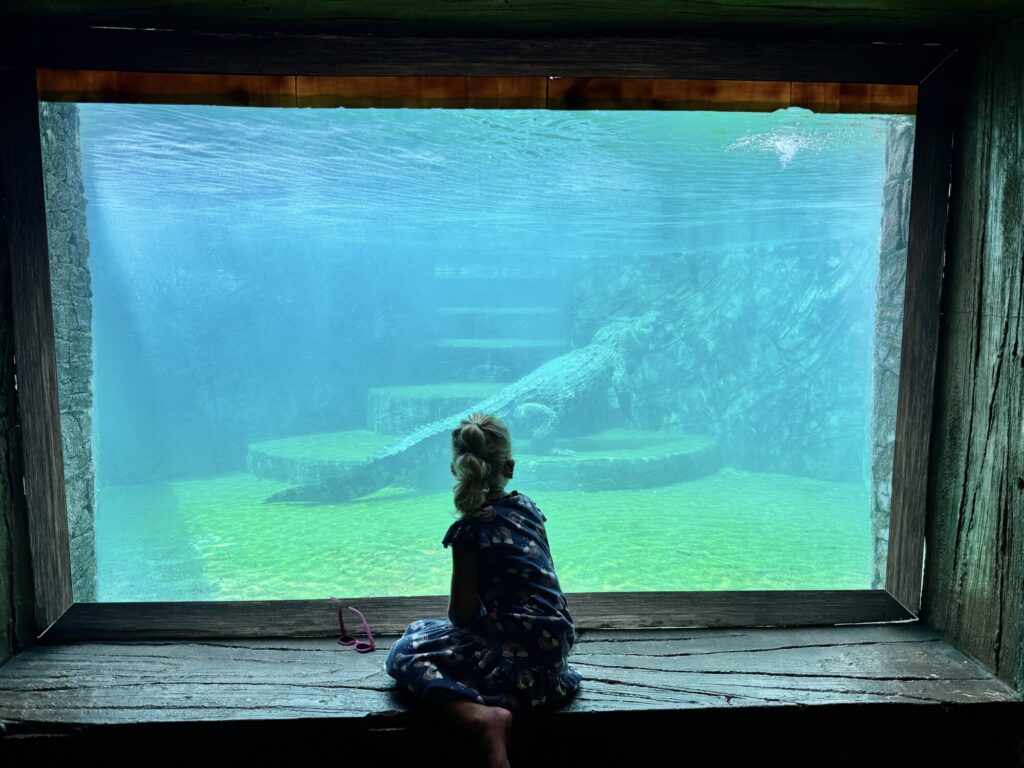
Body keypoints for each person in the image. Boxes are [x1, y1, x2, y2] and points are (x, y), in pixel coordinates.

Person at [385, 412, 582, 767]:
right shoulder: (529, 509)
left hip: (513, 665)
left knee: (405, 651)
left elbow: (460, 615)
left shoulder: (468, 531)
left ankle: (481, 717)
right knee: (425, 633)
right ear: (509, 467)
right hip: (554, 662)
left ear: (456, 469)